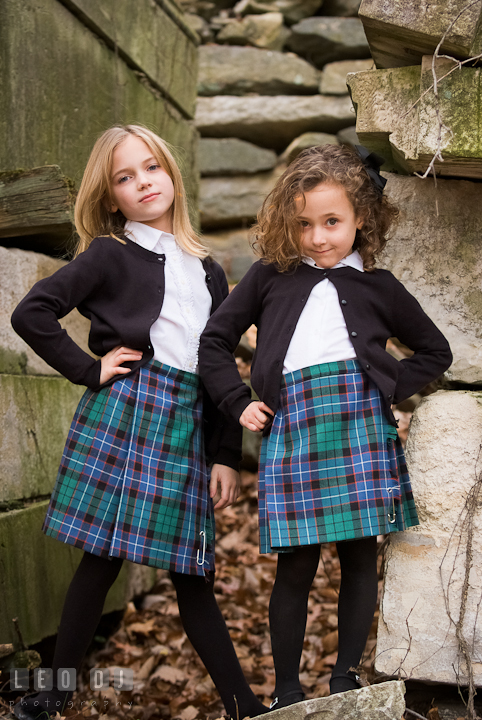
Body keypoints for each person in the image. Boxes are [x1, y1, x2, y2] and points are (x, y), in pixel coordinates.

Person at [11, 124, 267, 720]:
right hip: (126, 413)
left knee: (193, 570)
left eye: (150, 167)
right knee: (100, 561)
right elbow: (33, 312)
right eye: (125, 177)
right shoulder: (108, 253)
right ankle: (51, 698)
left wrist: (225, 453)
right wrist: (87, 367)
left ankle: (245, 708)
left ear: (171, 173)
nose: (142, 182)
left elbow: (219, 362)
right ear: (110, 197)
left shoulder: (207, 270)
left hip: (187, 421)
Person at [199, 144, 453, 706]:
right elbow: (214, 342)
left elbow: (436, 352)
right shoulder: (270, 278)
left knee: (361, 554)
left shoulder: (380, 287)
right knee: (297, 562)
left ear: (360, 218)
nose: (318, 237)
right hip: (294, 429)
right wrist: (237, 401)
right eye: (304, 224)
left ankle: (345, 676)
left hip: (361, 427)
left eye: (332, 222)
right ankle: (287, 690)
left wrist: (386, 383)